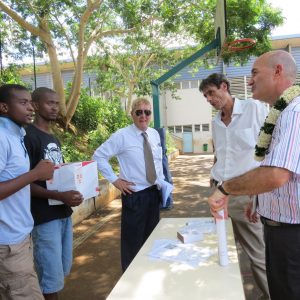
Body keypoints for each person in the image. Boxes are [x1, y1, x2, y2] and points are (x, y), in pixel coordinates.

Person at [208, 50, 300, 300]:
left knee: (283, 283)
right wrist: (257, 198)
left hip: (290, 231)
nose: (249, 81)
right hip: (267, 212)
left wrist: (226, 189)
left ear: (278, 71)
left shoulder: (292, 112)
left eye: (254, 73)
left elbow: (277, 173)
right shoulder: (280, 112)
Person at [199, 73, 270, 299]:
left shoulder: (254, 109)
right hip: (219, 193)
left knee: (257, 253)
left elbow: (270, 150)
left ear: (224, 86)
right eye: (205, 96)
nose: (209, 99)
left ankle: (270, 294)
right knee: (224, 250)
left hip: (246, 195)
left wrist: (258, 195)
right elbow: (219, 155)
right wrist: (214, 184)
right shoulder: (216, 122)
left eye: (211, 92)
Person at [24, 87, 83, 300]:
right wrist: (60, 196)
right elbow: (26, 182)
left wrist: (76, 190)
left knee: (60, 269)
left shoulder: (53, 137)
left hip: (62, 213)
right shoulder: (28, 136)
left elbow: (56, 175)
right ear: (36, 105)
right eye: (50, 103)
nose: (55, 107)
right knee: (50, 276)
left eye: (57, 103)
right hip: (43, 217)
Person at [93, 97, 164, 271]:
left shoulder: (154, 134)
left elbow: (157, 162)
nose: (143, 116)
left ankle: (149, 274)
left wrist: (162, 184)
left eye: (147, 112)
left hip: (153, 193)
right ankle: (131, 280)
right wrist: (115, 180)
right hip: (135, 195)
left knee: (152, 239)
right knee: (132, 244)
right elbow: (98, 156)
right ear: (132, 114)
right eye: (138, 112)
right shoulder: (122, 136)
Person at [0, 84, 54, 300]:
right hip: (8, 245)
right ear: (4, 107)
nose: (30, 107)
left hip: (19, 237)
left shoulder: (16, 135)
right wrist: (35, 174)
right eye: (22, 103)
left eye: (30, 102)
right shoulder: (2, 137)